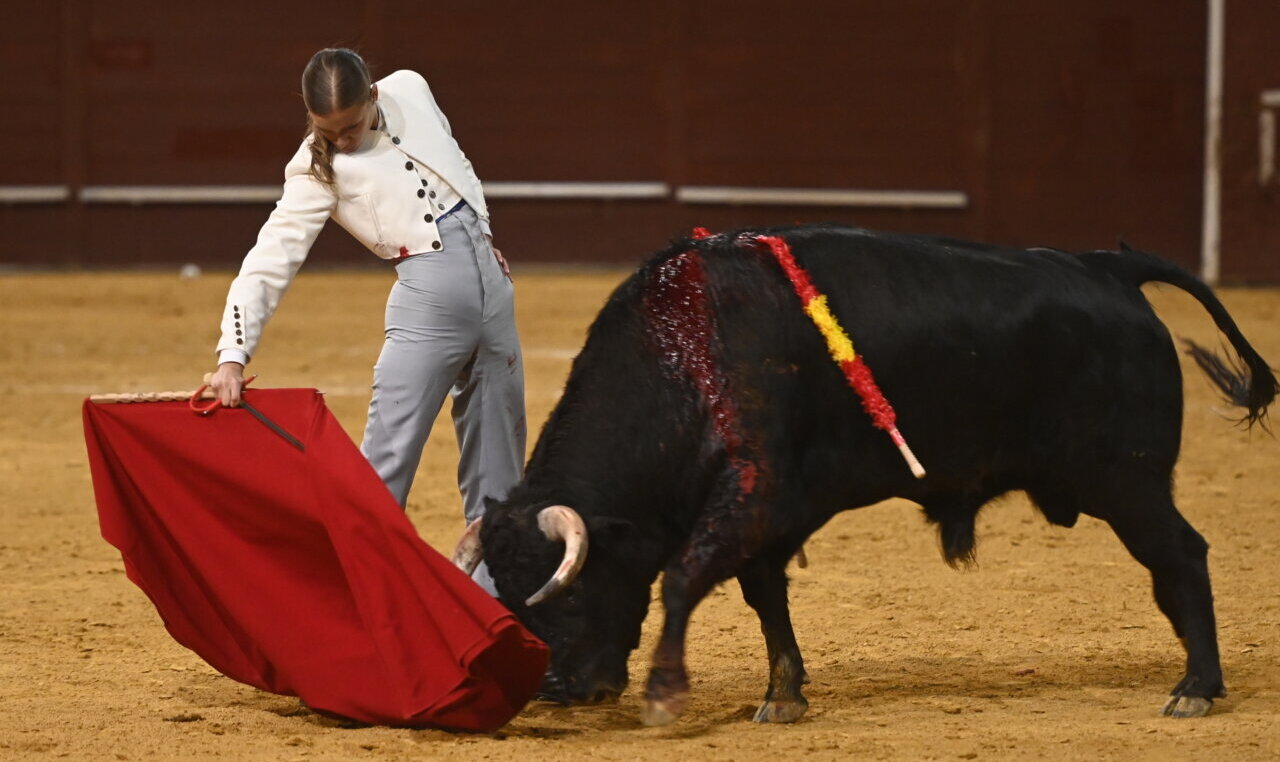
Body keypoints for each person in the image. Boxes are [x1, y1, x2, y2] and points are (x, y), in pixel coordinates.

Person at [208, 48, 524, 592]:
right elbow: (269, 257)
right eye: (329, 131)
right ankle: (355, 604)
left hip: (494, 298)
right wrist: (232, 354)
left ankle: (501, 607)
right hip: (427, 304)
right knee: (384, 465)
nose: (342, 141)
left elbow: (456, 160)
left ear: (373, 95)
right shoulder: (314, 169)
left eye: (351, 127)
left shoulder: (412, 88)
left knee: (501, 469)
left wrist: (485, 235)